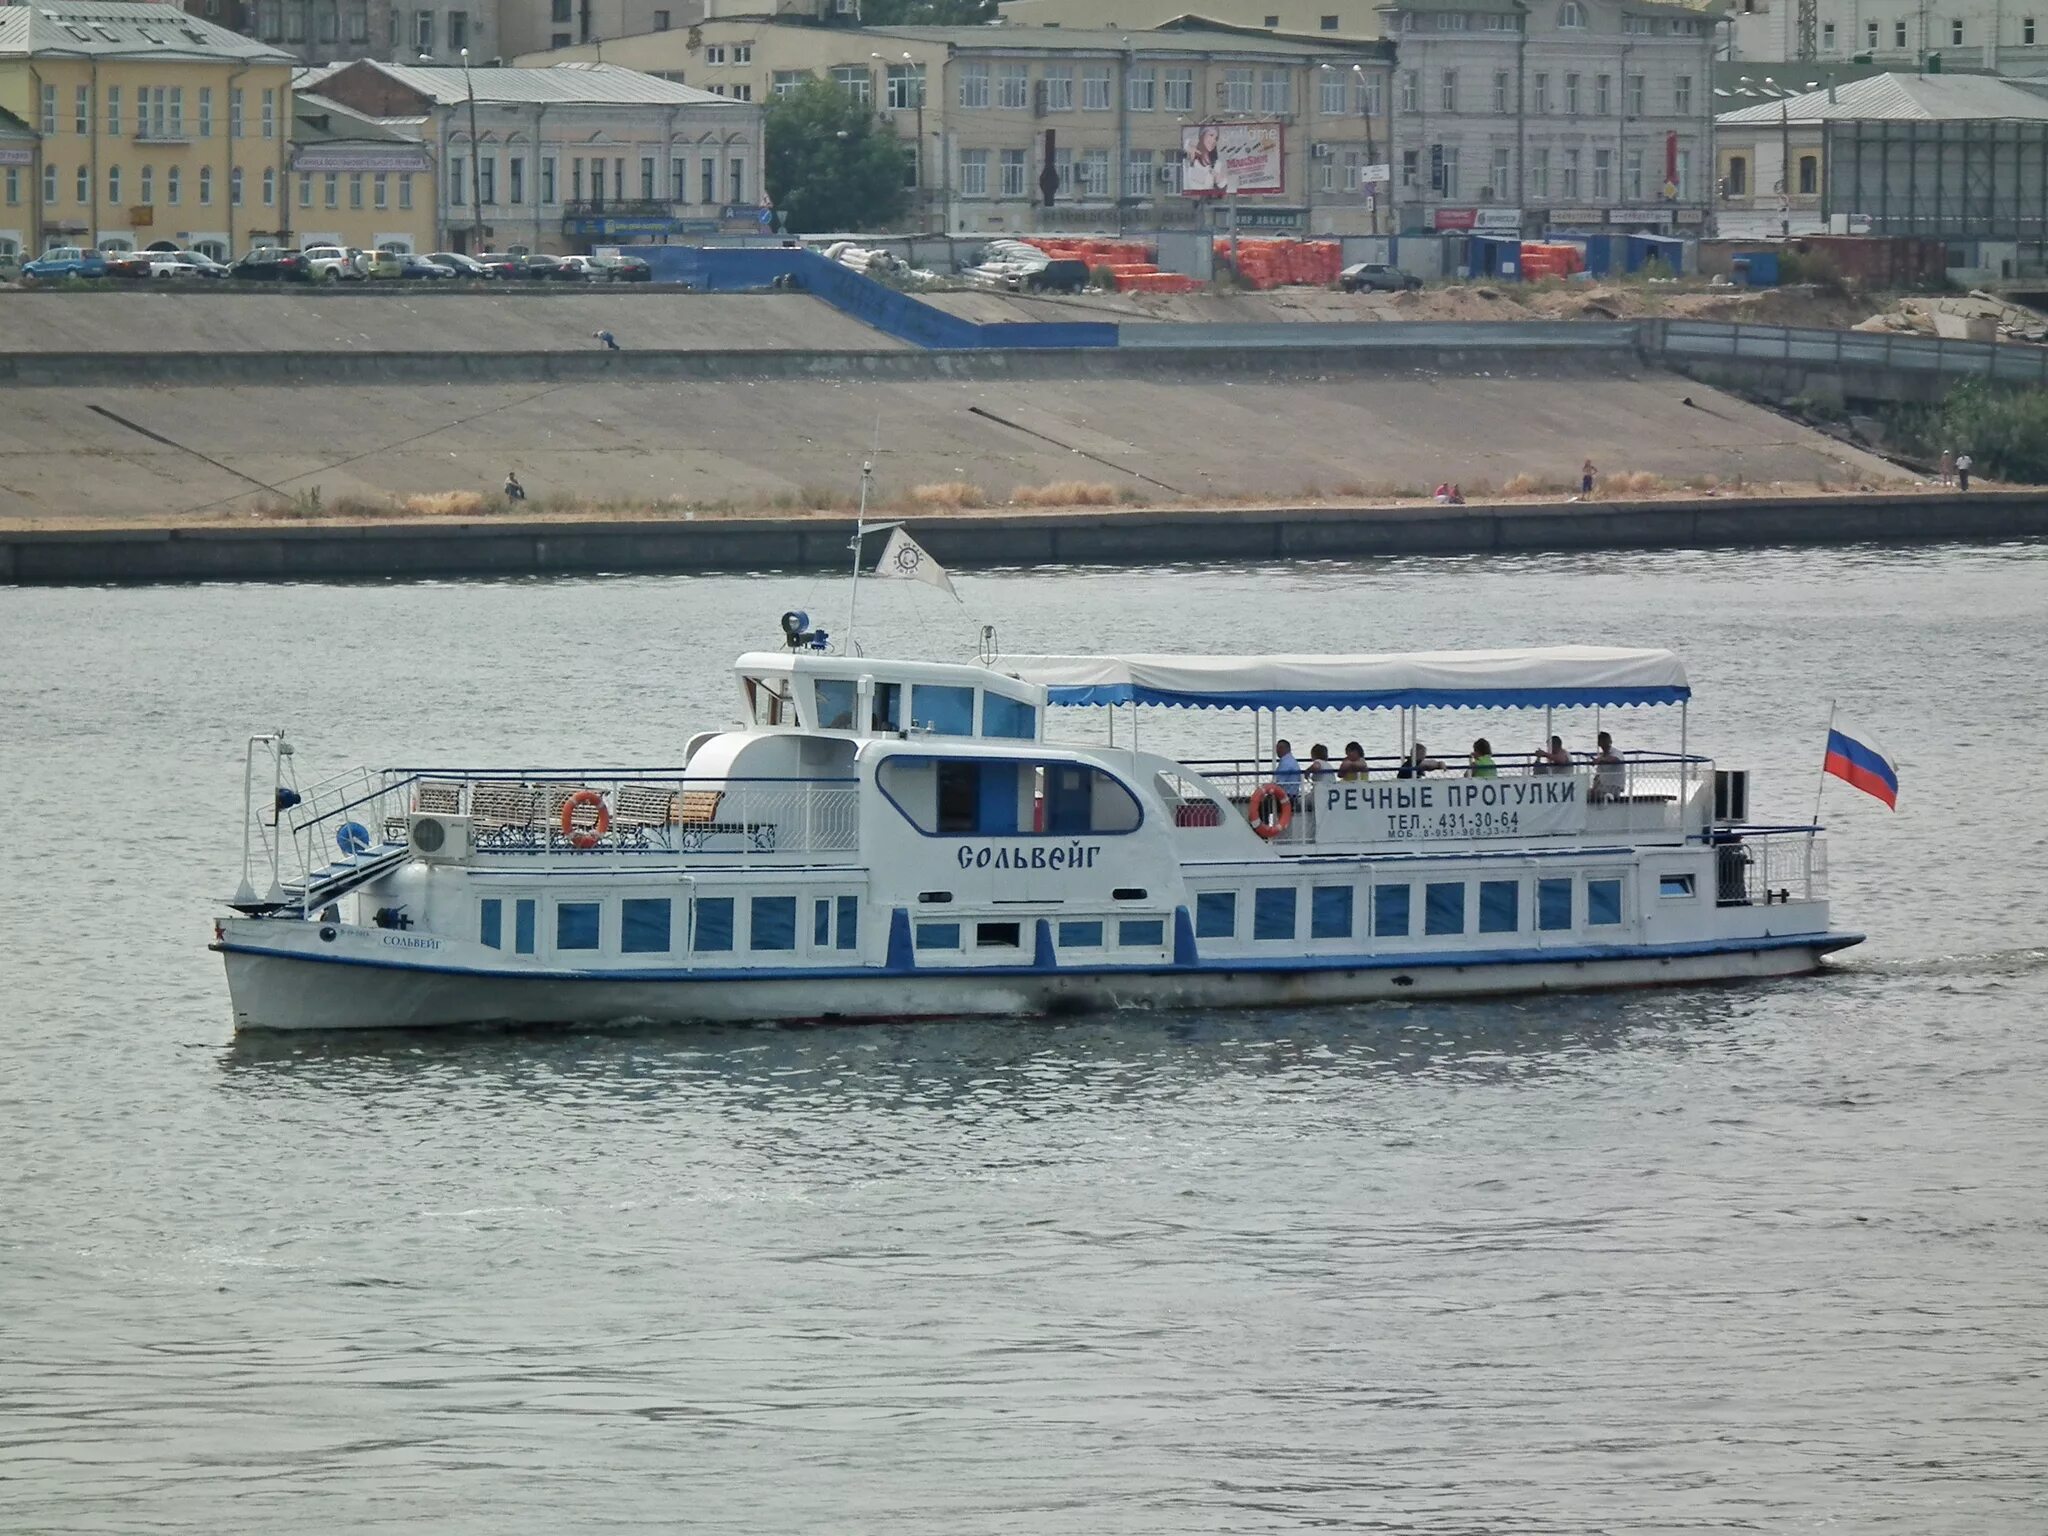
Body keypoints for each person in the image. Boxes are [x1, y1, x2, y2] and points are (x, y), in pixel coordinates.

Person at [1182, 125, 1222, 193]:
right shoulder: (1187, 160)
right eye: (1211, 135)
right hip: (1188, 199)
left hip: (1207, 200)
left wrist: (1219, 181)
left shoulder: (1217, 164)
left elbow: (1221, 187)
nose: (1213, 140)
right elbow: (1186, 142)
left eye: (1216, 138)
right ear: (1202, 136)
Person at [1592, 730, 1624, 800]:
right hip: (1603, 786)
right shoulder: (1601, 756)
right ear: (1599, 743)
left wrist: (1602, 760)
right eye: (1602, 741)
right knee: (1585, 793)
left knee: (1591, 794)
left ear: (1610, 742)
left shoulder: (1617, 752)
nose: (1604, 744)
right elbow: (1598, 775)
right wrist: (1594, 787)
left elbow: (1616, 759)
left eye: (1605, 741)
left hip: (1614, 786)